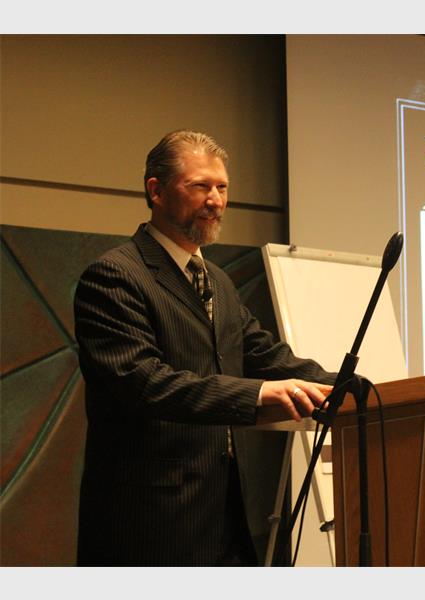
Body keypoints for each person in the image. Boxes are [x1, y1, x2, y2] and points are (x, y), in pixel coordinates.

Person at [74, 130, 336, 566]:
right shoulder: (115, 276)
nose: (215, 200)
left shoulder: (218, 281)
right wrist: (257, 394)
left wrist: (354, 388)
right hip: (150, 525)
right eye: (200, 186)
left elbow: (264, 355)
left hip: (226, 516)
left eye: (222, 187)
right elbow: (144, 383)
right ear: (156, 191)